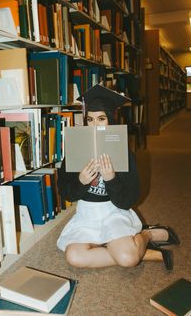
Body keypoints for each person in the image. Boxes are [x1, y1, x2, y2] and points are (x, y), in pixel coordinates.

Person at [57, 84, 179, 270]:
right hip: (87, 215)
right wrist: (81, 181)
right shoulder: (76, 147)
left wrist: (111, 179)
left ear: (111, 121)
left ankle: (148, 235)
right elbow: (66, 193)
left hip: (113, 213)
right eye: (90, 119)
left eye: (101, 119)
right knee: (74, 256)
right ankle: (144, 252)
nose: (95, 125)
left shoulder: (123, 151)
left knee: (128, 259)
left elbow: (127, 201)